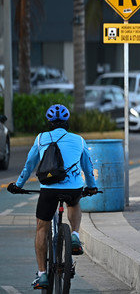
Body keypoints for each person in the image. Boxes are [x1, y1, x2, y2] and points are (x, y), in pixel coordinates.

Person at [7, 104, 98, 289]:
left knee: (42, 227)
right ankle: (73, 235)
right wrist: (92, 187)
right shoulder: (79, 140)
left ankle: (42, 275)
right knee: (74, 202)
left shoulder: (41, 138)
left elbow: (29, 166)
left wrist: (18, 186)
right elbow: (88, 167)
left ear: (49, 123)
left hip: (48, 189)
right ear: (67, 122)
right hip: (73, 188)